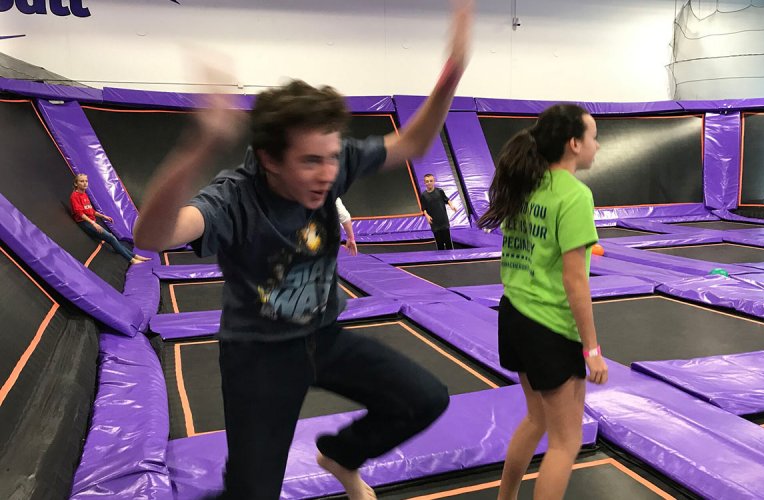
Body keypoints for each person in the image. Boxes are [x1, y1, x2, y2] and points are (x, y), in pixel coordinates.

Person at [133, 2, 472, 498]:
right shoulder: (237, 197)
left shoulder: (334, 162)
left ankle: (341, 454)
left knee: (425, 399)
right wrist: (201, 145)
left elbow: (415, 142)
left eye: (333, 158)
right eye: (310, 161)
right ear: (269, 158)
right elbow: (151, 236)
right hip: (258, 356)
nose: (328, 174)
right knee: (254, 491)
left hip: (323, 336)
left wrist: (450, 75)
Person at [477, 104, 609, 500]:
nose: (597, 146)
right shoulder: (575, 195)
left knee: (536, 418)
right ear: (573, 144)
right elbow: (575, 281)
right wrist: (592, 349)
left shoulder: (526, 186)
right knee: (565, 442)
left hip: (513, 315)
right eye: (593, 137)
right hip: (550, 327)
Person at [70, 173, 151, 265]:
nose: (85, 183)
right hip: (85, 223)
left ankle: (134, 256)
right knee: (111, 238)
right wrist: (93, 223)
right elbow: (79, 213)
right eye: (81, 181)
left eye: (86, 181)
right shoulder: (75, 196)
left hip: (91, 221)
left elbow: (90, 210)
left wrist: (103, 216)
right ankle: (132, 260)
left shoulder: (84, 194)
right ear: (76, 184)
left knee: (113, 239)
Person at [420, 173, 457, 249]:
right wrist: (427, 216)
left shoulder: (439, 191)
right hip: (434, 222)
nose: (429, 183)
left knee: (448, 242)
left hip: (443, 220)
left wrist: (452, 206)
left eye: (431, 181)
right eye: (427, 181)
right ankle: (441, 258)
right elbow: (424, 208)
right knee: (439, 243)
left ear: (434, 181)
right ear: (424, 183)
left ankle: (451, 258)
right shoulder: (424, 195)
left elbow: (447, 200)